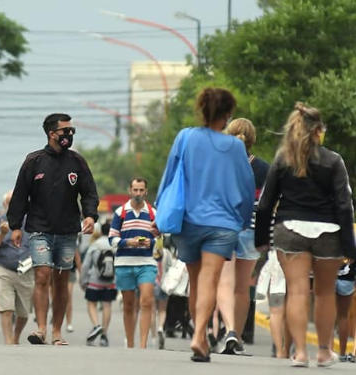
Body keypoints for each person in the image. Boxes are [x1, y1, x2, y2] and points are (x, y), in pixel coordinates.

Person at [156, 88, 254, 362]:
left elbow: (170, 175)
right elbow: (247, 188)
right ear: (227, 114)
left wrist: (159, 213)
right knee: (210, 279)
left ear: (201, 109)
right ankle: (200, 334)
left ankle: (199, 335)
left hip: (189, 221)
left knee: (197, 282)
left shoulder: (185, 137)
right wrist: (244, 219)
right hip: (223, 224)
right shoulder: (236, 146)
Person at [255, 102, 355, 367]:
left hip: (289, 231)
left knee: (297, 292)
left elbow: (265, 203)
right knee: (324, 294)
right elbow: (344, 205)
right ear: (318, 131)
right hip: (328, 233)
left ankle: (299, 352)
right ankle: (323, 351)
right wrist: (350, 246)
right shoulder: (333, 161)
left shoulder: (282, 160)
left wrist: (261, 239)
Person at [8, 113, 99, 346]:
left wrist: (90, 215)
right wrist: (15, 226)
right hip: (39, 229)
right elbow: (19, 196)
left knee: (60, 281)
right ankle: (40, 329)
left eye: (72, 131)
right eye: (65, 131)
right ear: (51, 134)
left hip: (68, 230)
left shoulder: (77, 162)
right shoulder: (34, 161)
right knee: (42, 275)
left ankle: (57, 331)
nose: (69, 135)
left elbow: (89, 192)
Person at [212, 118, 271, 355]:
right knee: (243, 286)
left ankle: (230, 331)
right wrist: (265, 236)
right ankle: (237, 333)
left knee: (225, 281)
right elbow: (267, 204)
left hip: (223, 227)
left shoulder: (218, 163)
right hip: (251, 228)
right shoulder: (264, 168)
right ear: (252, 139)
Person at [108, 177, 158, 349]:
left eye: (141, 190)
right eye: (135, 190)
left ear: (146, 192)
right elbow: (112, 239)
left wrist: (149, 242)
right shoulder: (120, 213)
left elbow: (159, 239)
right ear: (129, 191)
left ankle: (143, 344)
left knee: (146, 301)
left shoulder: (153, 213)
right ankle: (130, 343)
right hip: (124, 263)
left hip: (146, 263)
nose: (138, 193)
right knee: (128, 305)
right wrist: (129, 242)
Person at [0, 191, 34, 345]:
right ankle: (8, 341)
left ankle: (16, 337)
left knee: (24, 312)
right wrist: (2, 234)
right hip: (4, 269)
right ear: (4, 205)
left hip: (26, 270)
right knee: (6, 308)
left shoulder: (30, 222)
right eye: (10, 203)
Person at [80, 225, 117, 347]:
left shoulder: (95, 245)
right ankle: (104, 335)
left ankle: (96, 325)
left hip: (95, 280)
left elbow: (86, 265)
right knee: (107, 305)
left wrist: (83, 280)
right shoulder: (114, 245)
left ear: (100, 232)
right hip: (110, 281)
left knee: (91, 303)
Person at [256, 249, 289, 359]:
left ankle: (279, 350)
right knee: (292, 305)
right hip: (295, 257)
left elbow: (260, 241)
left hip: (273, 260)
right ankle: (288, 348)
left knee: (276, 311)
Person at [337, 260, 356, 362]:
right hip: (348, 278)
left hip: (327, 274)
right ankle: (342, 354)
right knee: (343, 316)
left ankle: (326, 351)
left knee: (328, 315)